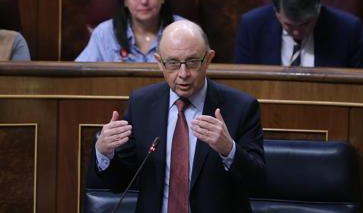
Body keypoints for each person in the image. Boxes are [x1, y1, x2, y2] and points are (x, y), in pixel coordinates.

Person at [92, 20, 265, 212]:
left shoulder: (240, 107)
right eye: (173, 63)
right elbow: (119, 183)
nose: (183, 74)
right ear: (159, 62)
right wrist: (104, 152)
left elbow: (257, 181)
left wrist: (228, 149)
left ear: (208, 59)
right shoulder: (141, 104)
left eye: (192, 62)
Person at [234, 0, 363, 68]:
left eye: (306, 24)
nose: (297, 32)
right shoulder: (252, 27)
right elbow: (242, 88)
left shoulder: (349, 31)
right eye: (289, 26)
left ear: (319, 6)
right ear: (276, 11)